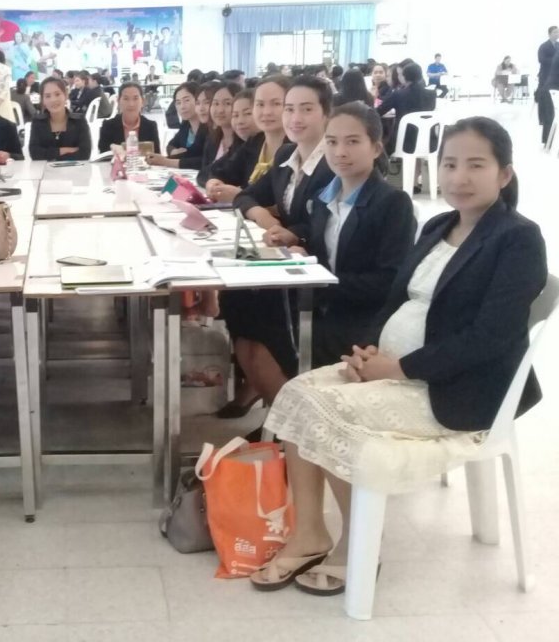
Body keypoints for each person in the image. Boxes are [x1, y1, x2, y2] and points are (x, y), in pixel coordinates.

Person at [252, 117, 545, 595]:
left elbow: (488, 338)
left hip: (456, 390)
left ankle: (357, 546)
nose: (459, 177)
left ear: (504, 174)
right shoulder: (439, 225)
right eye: (450, 164)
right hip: (392, 369)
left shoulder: (517, 239)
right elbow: (395, 300)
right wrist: (367, 351)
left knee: (325, 411)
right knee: (295, 394)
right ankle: (309, 533)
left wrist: (400, 367)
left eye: (476, 165)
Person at [222, 76, 335, 412]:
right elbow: (245, 197)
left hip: (317, 267)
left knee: (258, 311)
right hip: (285, 257)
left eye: (306, 109)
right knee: (235, 300)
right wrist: (266, 218)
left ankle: (287, 416)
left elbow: (323, 223)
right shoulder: (287, 155)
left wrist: (293, 232)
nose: (294, 118)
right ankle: (271, 401)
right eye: (290, 109)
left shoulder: (333, 162)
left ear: (326, 113)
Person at [297, 102, 416, 367]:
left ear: (376, 148)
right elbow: (322, 254)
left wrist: (322, 283)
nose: (340, 152)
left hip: (364, 320)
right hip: (323, 310)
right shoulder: (322, 199)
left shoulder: (393, 203)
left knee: (282, 338)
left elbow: (390, 280)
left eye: (352, 142)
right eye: (331, 142)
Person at [205, 76, 291, 205]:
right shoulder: (255, 142)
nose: (266, 112)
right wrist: (213, 183)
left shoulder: (294, 149)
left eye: (276, 104)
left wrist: (241, 196)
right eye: (260, 104)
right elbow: (221, 172)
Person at [378, 62, 436, 154]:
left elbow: (379, 111)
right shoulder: (432, 94)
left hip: (403, 142)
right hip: (429, 142)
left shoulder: (398, 94)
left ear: (404, 77)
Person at [28, 76, 91, 161]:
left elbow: (85, 154)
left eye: (57, 94)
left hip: (74, 168)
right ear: (43, 100)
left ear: (65, 95)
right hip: (45, 169)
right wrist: (63, 150)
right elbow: (35, 154)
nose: (53, 100)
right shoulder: (38, 122)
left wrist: (50, 154)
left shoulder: (79, 121)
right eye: (47, 96)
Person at [97, 83, 160, 154]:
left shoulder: (150, 126)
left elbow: (156, 155)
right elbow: (103, 154)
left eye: (135, 98)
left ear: (143, 101)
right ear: (118, 101)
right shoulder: (108, 126)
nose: (131, 104)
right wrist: (112, 148)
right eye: (126, 99)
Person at [536, 26, 559, 143]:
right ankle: (547, 139)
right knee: (547, 111)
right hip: (547, 79)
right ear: (549, 34)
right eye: (555, 32)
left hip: (554, 80)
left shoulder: (558, 46)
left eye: (558, 32)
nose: (557, 34)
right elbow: (541, 59)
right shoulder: (544, 46)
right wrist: (554, 59)